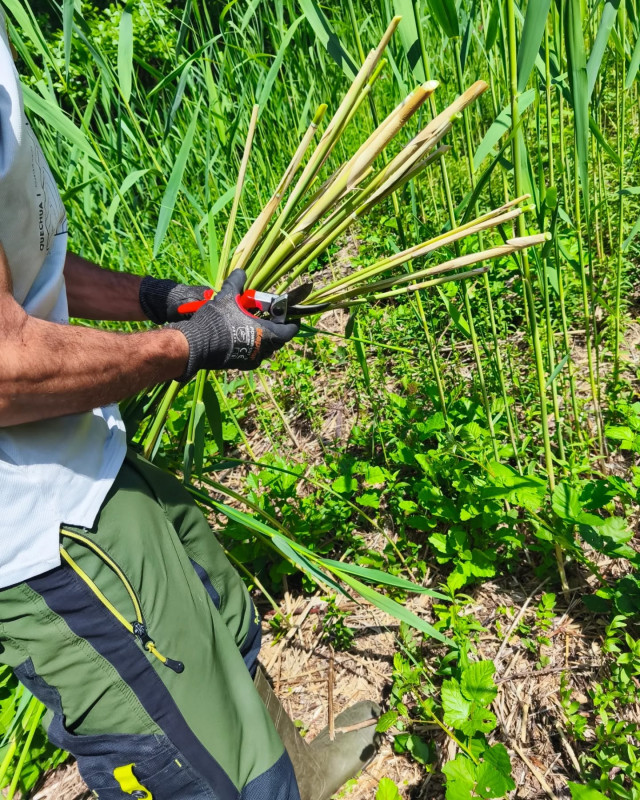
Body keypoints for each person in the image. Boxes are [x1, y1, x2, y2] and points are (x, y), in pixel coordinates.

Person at [0, 9, 380, 800]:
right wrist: (193, 346)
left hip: (84, 455)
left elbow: (27, 266)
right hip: (39, 531)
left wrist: (167, 301)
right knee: (191, 761)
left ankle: (299, 777)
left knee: (222, 630)